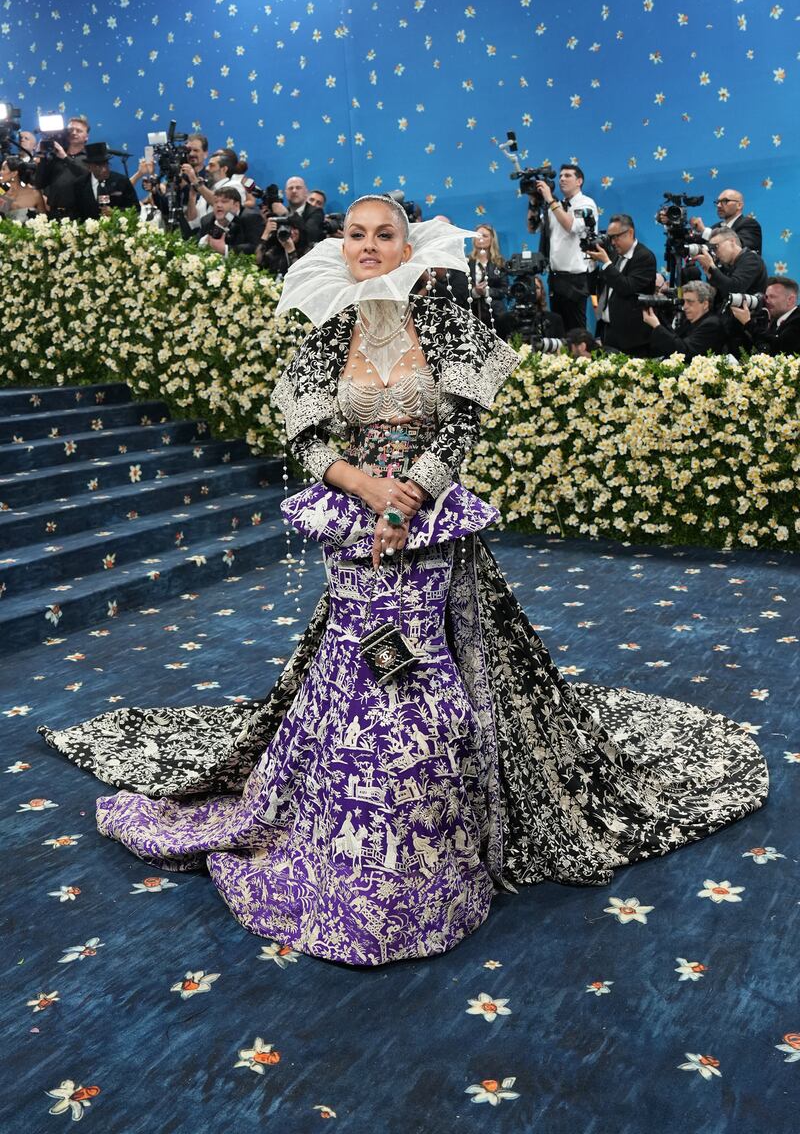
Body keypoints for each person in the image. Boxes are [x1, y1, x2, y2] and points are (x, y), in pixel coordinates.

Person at [41, 195, 767, 967]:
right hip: (353, 528)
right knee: (360, 671)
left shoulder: (447, 321)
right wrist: (363, 486)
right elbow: (305, 433)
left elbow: (462, 422)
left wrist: (409, 494)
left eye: (383, 234)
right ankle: (341, 823)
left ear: (407, 246)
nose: (367, 245)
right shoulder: (327, 331)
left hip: (430, 532)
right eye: (355, 234)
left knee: (418, 683)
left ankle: (431, 850)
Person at [536, 163, 598, 331]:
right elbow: (532, 227)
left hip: (576, 279)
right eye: (561, 176)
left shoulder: (586, 204)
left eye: (567, 175)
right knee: (558, 329)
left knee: (576, 332)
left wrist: (550, 200)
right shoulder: (556, 206)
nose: (562, 179)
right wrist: (533, 202)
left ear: (579, 181)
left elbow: (572, 226)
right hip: (556, 277)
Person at [586, 214, 657, 356]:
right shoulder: (613, 255)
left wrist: (606, 263)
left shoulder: (644, 257)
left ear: (630, 233)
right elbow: (593, 289)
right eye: (610, 237)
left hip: (632, 338)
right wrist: (593, 263)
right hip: (608, 332)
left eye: (615, 237)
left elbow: (626, 287)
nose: (612, 242)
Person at [642, 280, 725, 360]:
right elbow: (674, 339)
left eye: (690, 302)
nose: (684, 307)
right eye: (683, 302)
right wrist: (660, 314)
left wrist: (657, 326)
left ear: (705, 304)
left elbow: (684, 351)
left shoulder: (711, 324)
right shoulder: (688, 321)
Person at [731, 276, 800, 355]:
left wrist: (748, 323)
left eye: (772, 297)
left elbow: (781, 348)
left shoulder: (797, 319)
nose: (767, 301)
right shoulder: (775, 321)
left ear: (790, 300)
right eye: (766, 297)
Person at [71, 142, 139, 220]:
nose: (104, 169)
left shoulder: (121, 181)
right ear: (89, 167)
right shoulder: (80, 184)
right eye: (98, 165)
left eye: (106, 164)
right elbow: (76, 213)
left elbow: (136, 209)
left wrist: (115, 212)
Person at [192, 183, 264, 255]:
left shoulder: (251, 217)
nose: (218, 205)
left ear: (236, 205)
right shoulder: (207, 220)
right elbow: (195, 245)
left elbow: (255, 246)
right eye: (216, 202)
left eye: (224, 201)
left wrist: (226, 250)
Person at [690, 188, 762, 255]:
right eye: (717, 202)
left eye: (725, 201)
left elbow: (737, 247)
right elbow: (699, 243)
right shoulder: (718, 226)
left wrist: (703, 230)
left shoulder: (749, 224)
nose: (718, 205)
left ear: (739, 205)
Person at [467, 224, 509, 329]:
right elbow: (460, 288)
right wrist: (474, 292)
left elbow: (505, 289)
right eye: (478, 235)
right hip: (472, 314)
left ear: (492, 240)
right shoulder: (466, 262)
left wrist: (486, 291)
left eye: (485, 236)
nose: (480, 238)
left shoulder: (500, 263)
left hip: (496, 314)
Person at [0, 155, 46, 221]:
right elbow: (3, 221)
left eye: (3, 169)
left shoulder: (34, 194)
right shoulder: (4, 196)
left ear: (14, 173)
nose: (0, 172)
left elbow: (44, 220)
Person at [284, 175, 325, 245]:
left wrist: (286, 214)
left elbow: (310, 235)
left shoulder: (316, 212)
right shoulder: (280, 212)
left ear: (306, 192)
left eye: (298, 188)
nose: (294, 191)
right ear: (286, 193)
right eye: (290, 188)